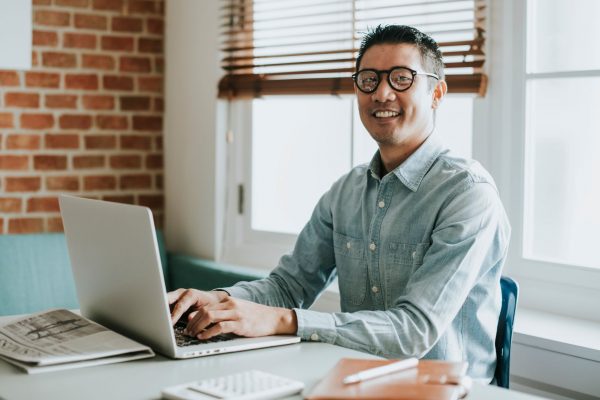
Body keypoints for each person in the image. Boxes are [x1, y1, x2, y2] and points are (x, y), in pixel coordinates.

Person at [168, 24, 510, 381]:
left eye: (401, 78)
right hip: (352, 381)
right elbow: (287, 287)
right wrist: (215, 302)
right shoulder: (346, 191)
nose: (381, 93)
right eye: (368, 80)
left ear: (437, 93)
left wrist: (283, 321)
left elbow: (413, 331)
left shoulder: (469, 194)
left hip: (442, 389)